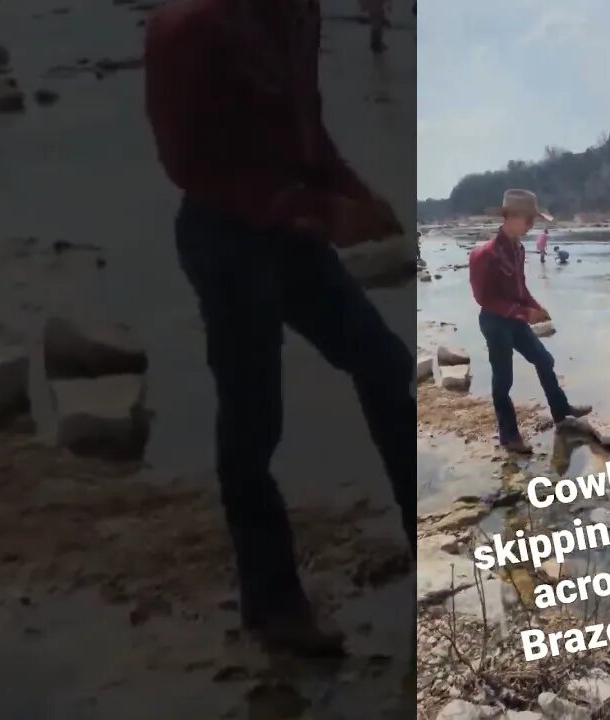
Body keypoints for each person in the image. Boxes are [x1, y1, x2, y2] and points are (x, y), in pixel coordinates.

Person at [144, 0, 414, 658]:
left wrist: (353, 192)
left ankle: (424, 533)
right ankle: (272, 601)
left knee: (383, 361)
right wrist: (323, 211)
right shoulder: (187, 28)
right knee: (254, 418)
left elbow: (307, 130)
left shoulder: (298, 11)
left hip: (292, 238)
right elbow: (190, 168)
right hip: (226, 239)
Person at [469, 189, 592, 454]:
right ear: (511, 217)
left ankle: (561, 413)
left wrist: (536, 307)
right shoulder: (484, 254)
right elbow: (483, 298)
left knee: (543, 359)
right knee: (503, 380)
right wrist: (524, 314)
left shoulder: (519, 250)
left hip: (514, 320)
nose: (531, 225)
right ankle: (509, 436)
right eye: (528, 220)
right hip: (495, 323)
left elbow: (520, 288)